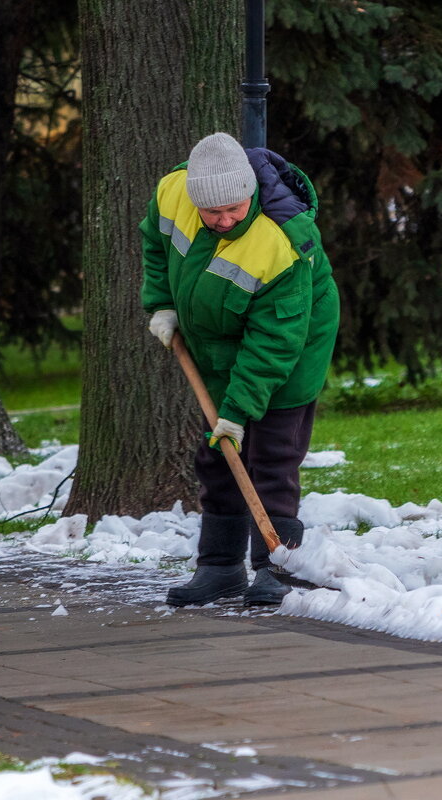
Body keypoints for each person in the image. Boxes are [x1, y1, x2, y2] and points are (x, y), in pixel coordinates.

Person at [140, 132, 339, 607]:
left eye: (235, 208)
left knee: (270, 458)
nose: (225, 219)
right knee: (218, 456)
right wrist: (163, 304)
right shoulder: (173, 194)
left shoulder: (279, 243)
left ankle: (277, 568)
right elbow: (154, 243)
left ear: (250, 192)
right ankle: (218, 569)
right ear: (194, 199)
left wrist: (237, 410)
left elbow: (274, 342)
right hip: (219, 346)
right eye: (214, 213)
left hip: (289, 347)